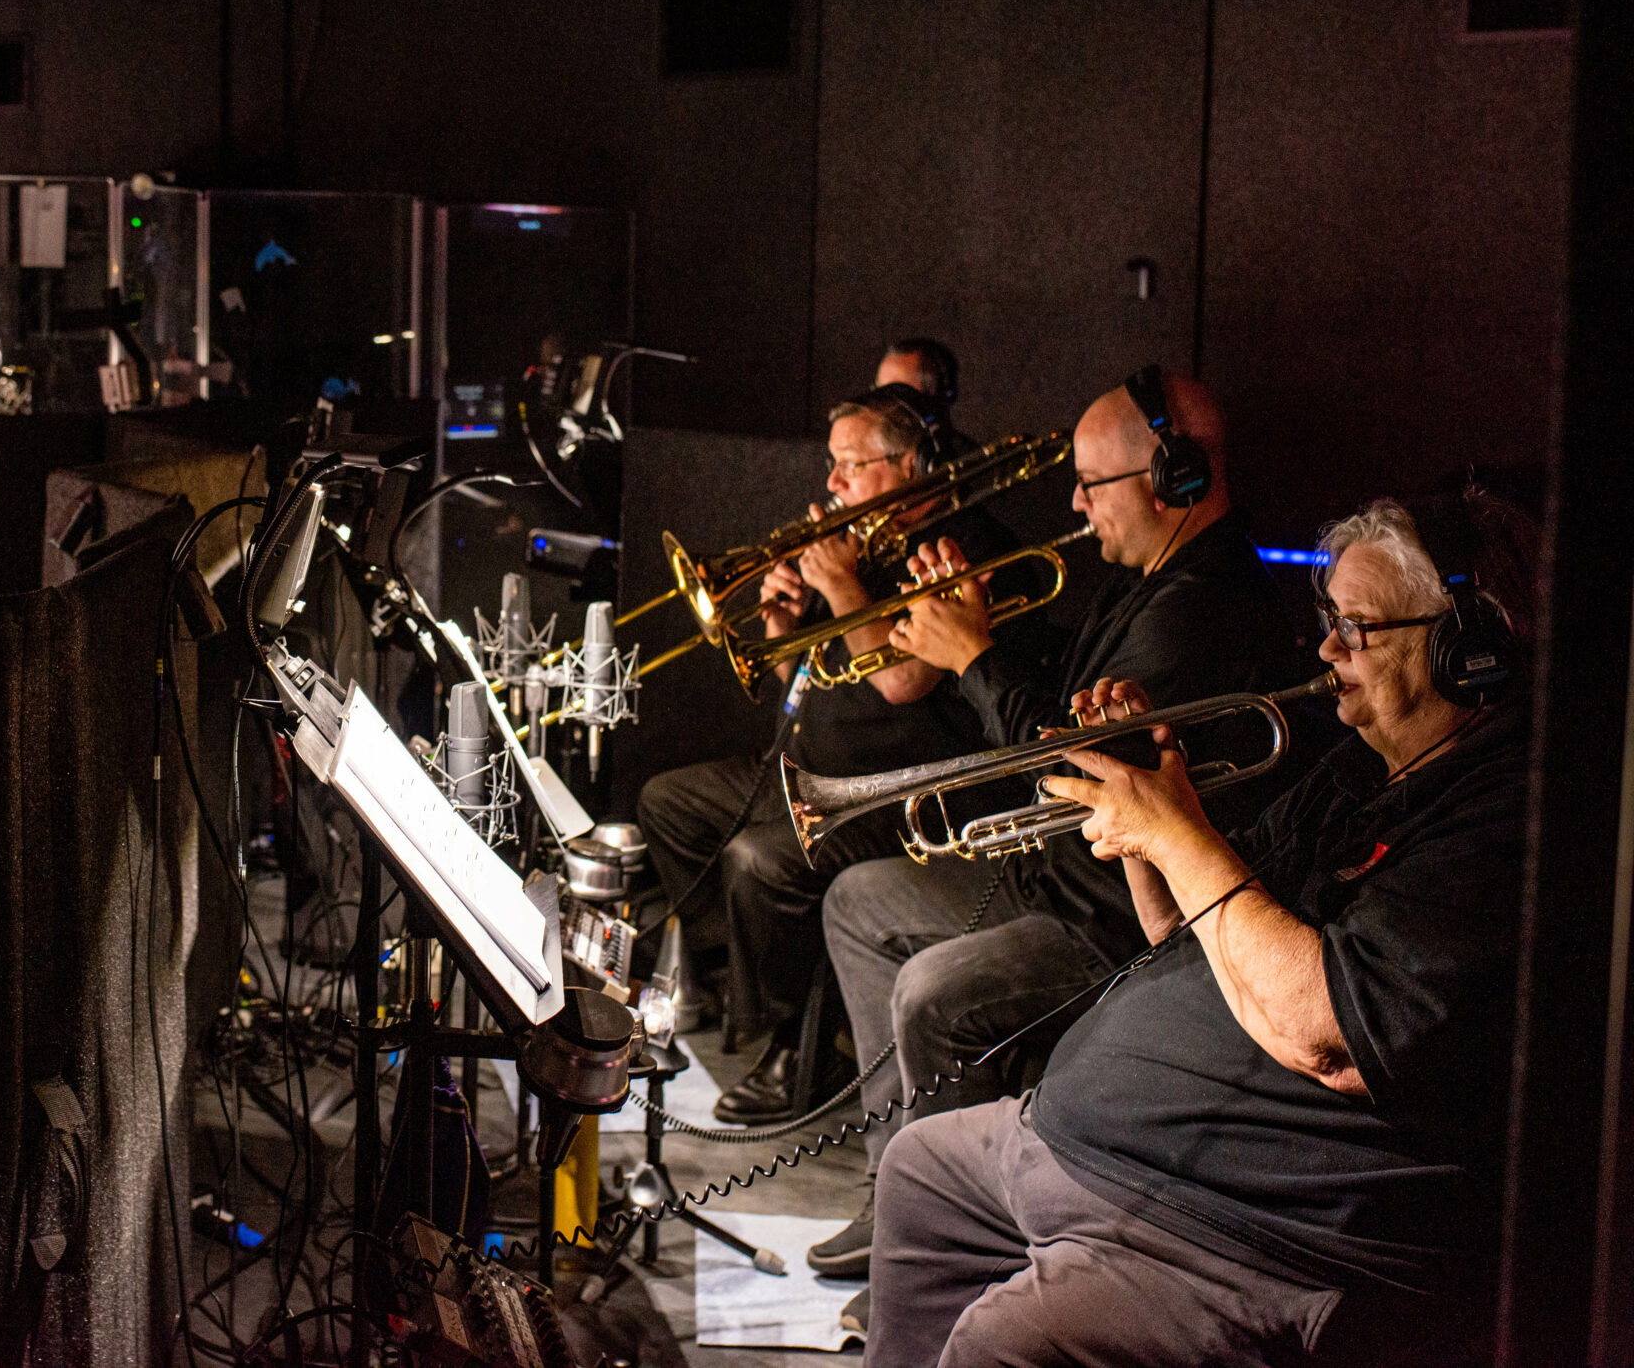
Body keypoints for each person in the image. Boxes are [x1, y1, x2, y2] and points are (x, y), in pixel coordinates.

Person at [866, 492, 1534, 1368]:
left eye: (1359, 628)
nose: (1328, 649)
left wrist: (1178, 834)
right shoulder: (1357, 771)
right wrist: (1148, 823)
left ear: (1464, 649)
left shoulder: (1501, 822)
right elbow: (1180, 933)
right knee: (919, 1169)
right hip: (1106, 1143)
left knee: (999, 1345)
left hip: (1239, 1224)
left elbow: (1326, 1034)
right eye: (1328, 618)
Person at [811, 366, 1312, 1297]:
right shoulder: (1140, 580)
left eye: (1093, 483)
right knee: (858, 898)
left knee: (932, 990)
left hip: (1117, 924)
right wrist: (973, 630)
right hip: (1056, 879)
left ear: (1176, 478)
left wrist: (974, 654)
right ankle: (899, 1189)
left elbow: (1065, 771)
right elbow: (1060, 716)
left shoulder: (1201, 606)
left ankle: (960, 1251)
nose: (1075, 503)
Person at [636, 386, 1039, 1123]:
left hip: (892, 792)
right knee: (669, 804)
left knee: (761, 864)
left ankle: (803, 1043)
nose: (832, 483)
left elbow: (900, 680)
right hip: (805, 767)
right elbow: (819, 673)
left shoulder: (959, 542)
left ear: (911, 464)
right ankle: (761, 990)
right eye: (833, 463)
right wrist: (790, 622)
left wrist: (841, 585)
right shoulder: (865, 543)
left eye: (852, 464)